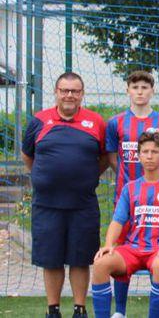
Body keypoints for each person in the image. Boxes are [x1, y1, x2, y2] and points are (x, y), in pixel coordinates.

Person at [22, 72, 109, 318]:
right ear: (56, 92)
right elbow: (27, 155)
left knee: (80, 259)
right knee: (51, 259)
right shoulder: (39, 121)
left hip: (83, 204)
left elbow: (104, 157)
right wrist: (44, 177)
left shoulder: (96, 122)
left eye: (75, 91)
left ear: (82, 94)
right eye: (64, 90)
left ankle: (80, 309)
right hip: (47, 204)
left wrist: (86, 176)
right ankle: (53, 310)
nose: (69, 95)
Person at [90, 132, 159, 318]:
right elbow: (117, 221)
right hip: (132, 248)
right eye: (145, 152)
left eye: (154, 152)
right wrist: (108, 244)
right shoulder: (130, 188)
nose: (149, 156)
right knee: (100, 263)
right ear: (139, 156)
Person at [105, 70, 159, 318]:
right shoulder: (115, 122)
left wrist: (154, 183)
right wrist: (131, 184)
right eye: (135, 87)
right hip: (126, 197)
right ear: (128, 90)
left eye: (144, 87)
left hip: (157, 201)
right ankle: (120, 311)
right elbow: (112, 157)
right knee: (122, 251)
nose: (139, 92)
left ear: (152, 91)